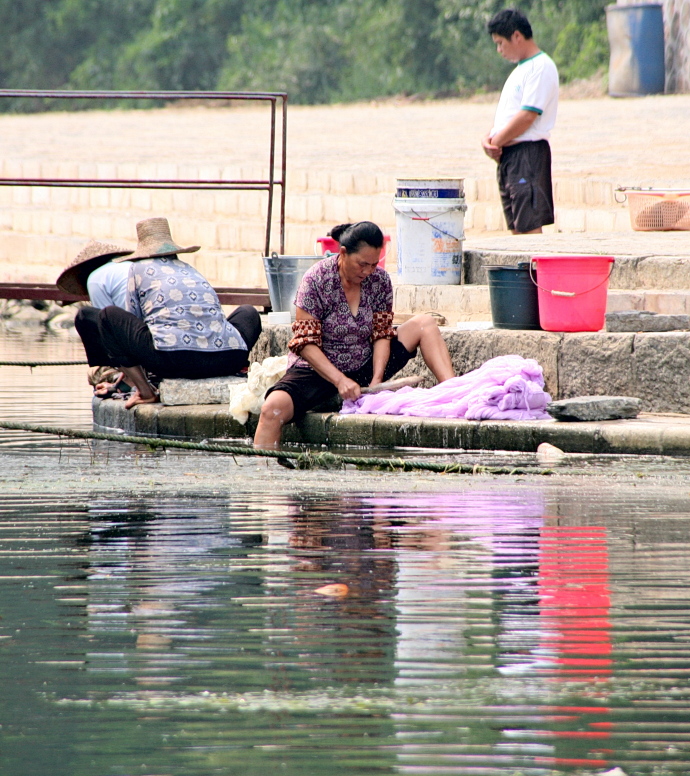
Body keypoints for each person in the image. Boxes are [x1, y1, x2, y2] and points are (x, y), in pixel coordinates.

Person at [253, 221, 455, 451]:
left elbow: (381, 333)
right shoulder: (316, 280)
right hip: (318, 372)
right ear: (343, 253)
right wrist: (340, 380)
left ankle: (455, 393)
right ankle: (265, 473)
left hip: (364, 365)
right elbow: (305, 343)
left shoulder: (379, 281)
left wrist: (377, 380)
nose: (368, 271)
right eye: (362, 264)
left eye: (373, 264)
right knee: (272, 410)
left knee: (424, 324)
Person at [74, 217, 263, 408]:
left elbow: (133, 327)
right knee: (248, 312)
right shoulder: (190, 269)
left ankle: (145, 392)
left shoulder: (137, 269)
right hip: (227, 359)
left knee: (107, 316)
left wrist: (123, 379)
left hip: (174, 360)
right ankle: (239, 368)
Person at [481, 8, 559, 234]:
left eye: (500, 43)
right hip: (510, 157)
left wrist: (497, 141)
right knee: (517, 229)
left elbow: (528, 115)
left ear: (516, 36)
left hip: (527, 155)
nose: (499, 50)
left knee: (529, 229)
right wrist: (490, 139)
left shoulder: (541, 67)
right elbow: (509, 114)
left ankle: (532, 271)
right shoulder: (520, 70)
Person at [56, 240, 135, 397]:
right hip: (145, 334)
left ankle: (105, 371)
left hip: (134, 338)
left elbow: (106, 326)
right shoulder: (130, 267)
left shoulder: (96, 277)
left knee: (84, 316)